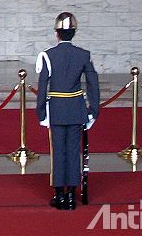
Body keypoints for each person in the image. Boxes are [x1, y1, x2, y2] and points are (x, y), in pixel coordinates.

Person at [36, 12, 100, 210]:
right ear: (73, 33)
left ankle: (59, 194)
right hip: (76, 109)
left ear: (57, 34)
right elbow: (92, 85)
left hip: (56, 109)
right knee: (73, 151)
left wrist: (41, 112)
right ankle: (71, 195)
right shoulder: (83, 55)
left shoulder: (48, 55)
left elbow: (42, 86)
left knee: (58, 151)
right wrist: (93, 111)